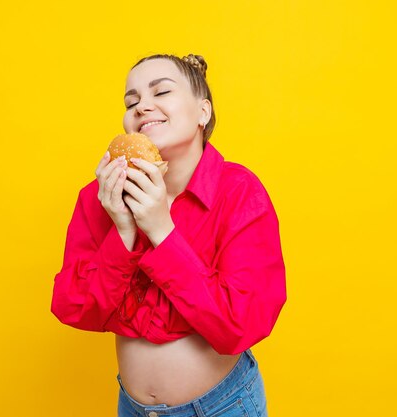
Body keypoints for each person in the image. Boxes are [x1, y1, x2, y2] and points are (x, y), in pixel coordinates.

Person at [51, 53, 287, 417]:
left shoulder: (240, 192)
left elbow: (240, 326)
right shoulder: (101, 198)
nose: (143, 106)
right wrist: (124, 230)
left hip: (223, 407)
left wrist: (161, 230)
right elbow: (75, 308)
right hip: (131, 408)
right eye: (132, 101)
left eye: (161, 92)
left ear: (203, 112)